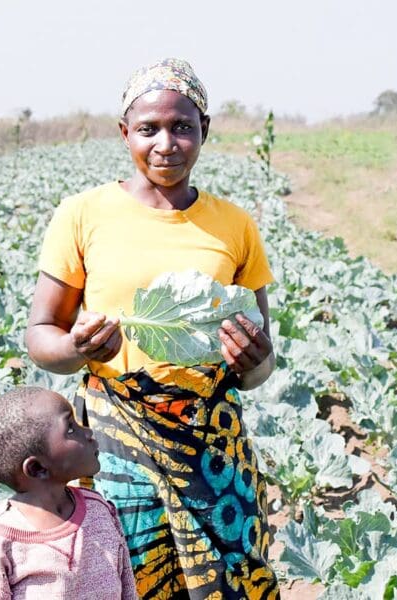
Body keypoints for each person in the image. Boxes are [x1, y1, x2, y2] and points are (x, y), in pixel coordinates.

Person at [25, 58, 280, 599]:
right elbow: (41, 334)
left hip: (211, 439)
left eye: (182, 126)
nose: (166, 143)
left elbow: (261, 364)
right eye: (148, 129)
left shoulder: (234, 225)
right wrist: (75, 347)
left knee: (231, 577)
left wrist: (254, 361)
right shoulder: (83, 214)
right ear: (125, 134)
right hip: (117, 439)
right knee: (132, 577)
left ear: (204, 131)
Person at [0, 386, 138, 600]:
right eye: (70, 429)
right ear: (37, 469)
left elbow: (126, 587)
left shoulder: (99, 510)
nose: (88, 432)